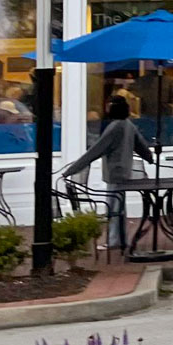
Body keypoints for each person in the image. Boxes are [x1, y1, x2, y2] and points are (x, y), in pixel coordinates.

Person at [62, 95, 155, 248]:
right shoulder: (128, 125)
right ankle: (120, 239)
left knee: (113, 208)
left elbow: (95, 150)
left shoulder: (114, 127)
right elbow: (141, 146)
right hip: (125, 171)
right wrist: (150, 158)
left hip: (114, 173)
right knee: (119, 207)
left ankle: (114, 241)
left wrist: (71, 170)